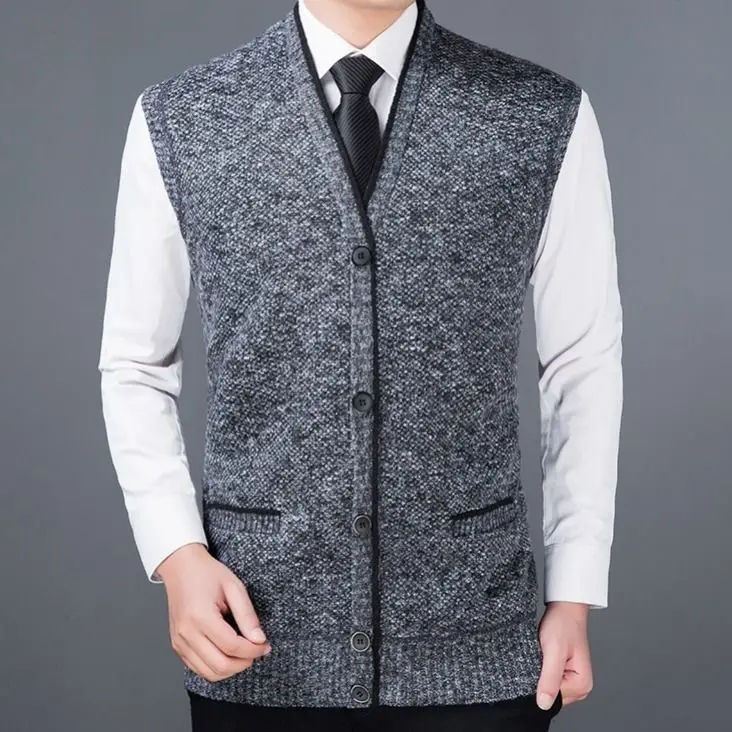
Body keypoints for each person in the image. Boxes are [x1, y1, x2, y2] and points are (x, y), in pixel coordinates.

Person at [97, 0, 623, 729]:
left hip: (477, 645)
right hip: (257, 642)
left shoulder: (539, 115)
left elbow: (581, 365)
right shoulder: (181, 118)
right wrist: (176, 554)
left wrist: (574, 592)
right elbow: (135, 363)